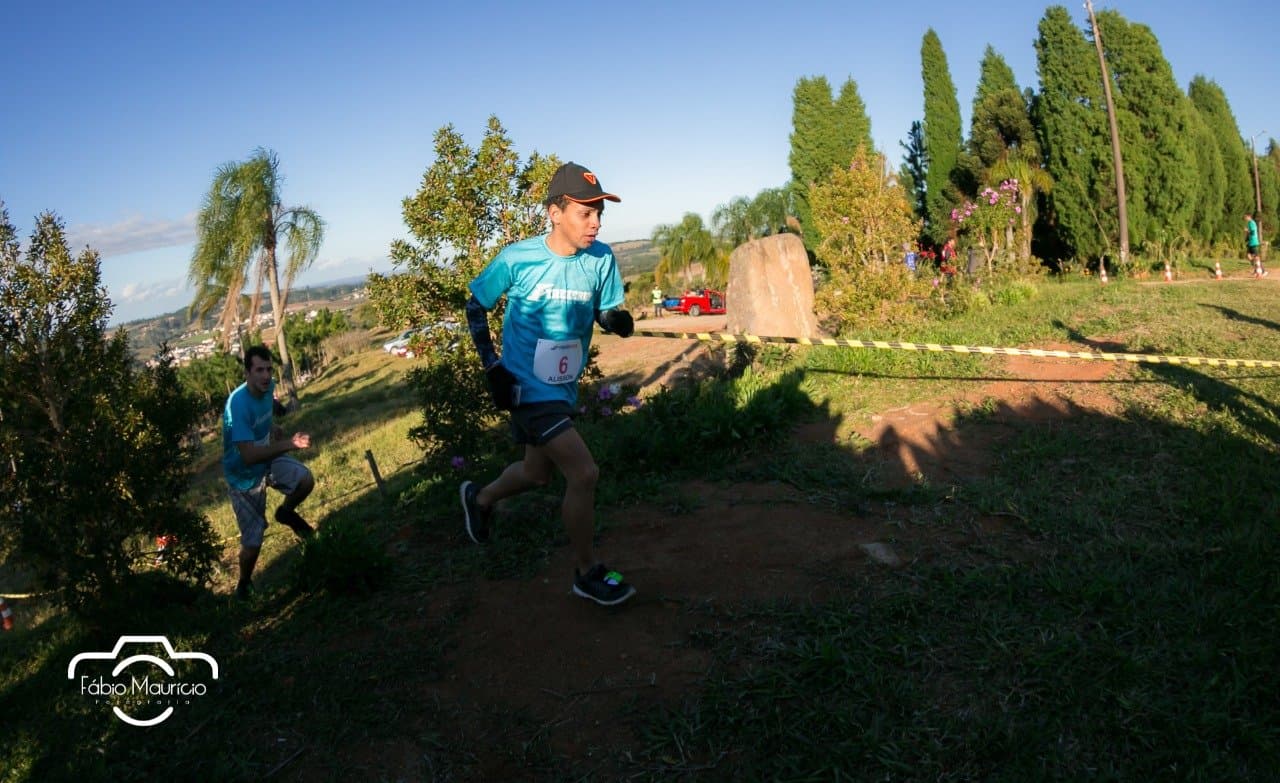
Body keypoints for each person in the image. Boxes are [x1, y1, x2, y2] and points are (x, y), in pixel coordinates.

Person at [459, 161, 637, 606]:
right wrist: (491, 366)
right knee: (584, 472)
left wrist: (612, 320)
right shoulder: (517, 259)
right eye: (586, 213)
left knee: (537, 474)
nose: (595, 223)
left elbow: (602, 308)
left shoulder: (601, 259)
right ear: (555, 212)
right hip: (526, 390)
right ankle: (586, 571)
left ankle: (480, 499)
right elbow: (475, 305)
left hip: (562, 389)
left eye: (600, 213)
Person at [222, 345, 316, 599]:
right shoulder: (237, 405)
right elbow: (249, 456)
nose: (265, 376)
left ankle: (285, 513)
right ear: (247, 373)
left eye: (268, 369)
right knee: (253, 543)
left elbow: (261, 418)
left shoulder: (269, 387)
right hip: (244, 476)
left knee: (305, 480)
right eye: (259, 370)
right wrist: (289, 444)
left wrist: (272, 429)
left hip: (268, 457)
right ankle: (244, 584)